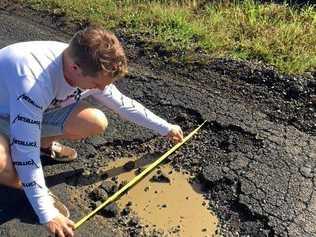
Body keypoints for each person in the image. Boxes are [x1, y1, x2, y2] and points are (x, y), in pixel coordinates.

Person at [0, 26, 183, 237]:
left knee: (94, 121)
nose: (103, 90)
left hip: (30, 110)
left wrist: (165, 127)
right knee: (6, 165)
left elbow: (123, 104)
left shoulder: (86, 62)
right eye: (97, 85)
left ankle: (43, 144)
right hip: (7, 110)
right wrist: (46, 213)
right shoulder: (33, 83)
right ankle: (28, 187)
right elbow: (26, 154)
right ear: (76, 69)